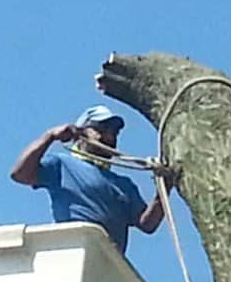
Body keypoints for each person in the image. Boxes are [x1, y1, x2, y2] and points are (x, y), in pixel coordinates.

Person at [10, 105, 172, 254]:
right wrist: (50, 136)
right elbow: (20, 174)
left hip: (109, 263)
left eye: (114, 132)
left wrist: (163, 189)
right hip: (75, 250)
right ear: (81, 132)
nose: (109, 136)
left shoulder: (124, 184)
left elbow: (147, 224)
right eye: (101, 129)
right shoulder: (62, 165)